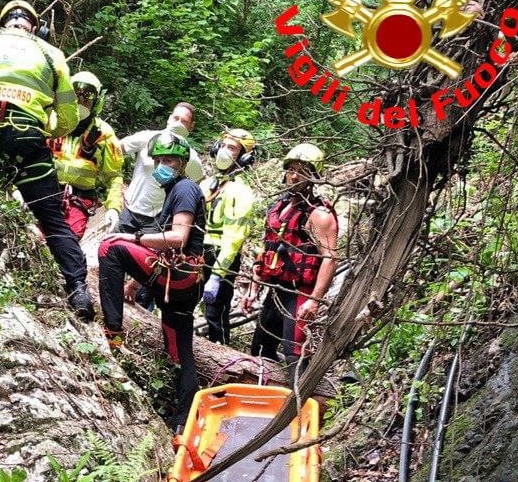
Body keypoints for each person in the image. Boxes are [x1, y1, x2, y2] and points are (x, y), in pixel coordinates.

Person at [0, 0, 95, 320]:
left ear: (3, 22)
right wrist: (45, 127)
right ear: (35, 25)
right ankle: (78, 289)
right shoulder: (51, 54)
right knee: (53, 220)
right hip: (29, 142)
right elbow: (69, 117)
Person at [98, 131, 206, 439]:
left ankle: (113, 333)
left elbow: (177, 238)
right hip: (183, 283)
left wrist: (131, 237)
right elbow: (164, 247)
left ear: (182, 163)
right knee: (178, 352)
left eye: (169, 160)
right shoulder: (174, 191)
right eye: (157, 160)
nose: (162, 165)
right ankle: (183, 422)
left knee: (110, 248)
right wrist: (135, 282)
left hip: (180, 275)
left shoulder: (184, 188)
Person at [241, 143, 338, 382]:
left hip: (299, 294)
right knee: (260, 351)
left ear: (313, 176)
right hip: (275, 290)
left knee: (295, 355)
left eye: (302, 170)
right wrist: (253, 289)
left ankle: (303, 405)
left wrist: (314, 302)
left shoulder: (319, 215)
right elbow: (266, 250)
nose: (294, 175)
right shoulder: (279, 208)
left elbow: (330, 259)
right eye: (291, 169)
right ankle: (265, 400)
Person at [47, 71, 125, 239]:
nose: (81, 99)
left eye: (87, 95)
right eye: (76, 93)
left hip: (78, 198)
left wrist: (113, 207)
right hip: (43, 190)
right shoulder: (51, 121)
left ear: (96, 101)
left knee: (68, 240)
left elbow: (114, 176)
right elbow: (26, 156)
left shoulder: (104, 134)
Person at [200, 129, 257, 344]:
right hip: (198, 252)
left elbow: (233, 240)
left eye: (232, 148)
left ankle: (220, 354)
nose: (224, 151)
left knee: (215, 315)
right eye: (223, 145)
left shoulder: (240, 192)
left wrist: (217, 275)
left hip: (220, 258)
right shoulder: (208, 184)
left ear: (243, 157)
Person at [117, 103, 204, 234]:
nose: (179, 123)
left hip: (158, 218)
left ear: (191, 126)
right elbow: (115, 150)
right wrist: (118, 185)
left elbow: (197, 183)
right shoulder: (147, 138)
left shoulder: (190, 156)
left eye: (184, 121)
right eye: (176, 118)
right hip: (129, 209)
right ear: (169, 119)